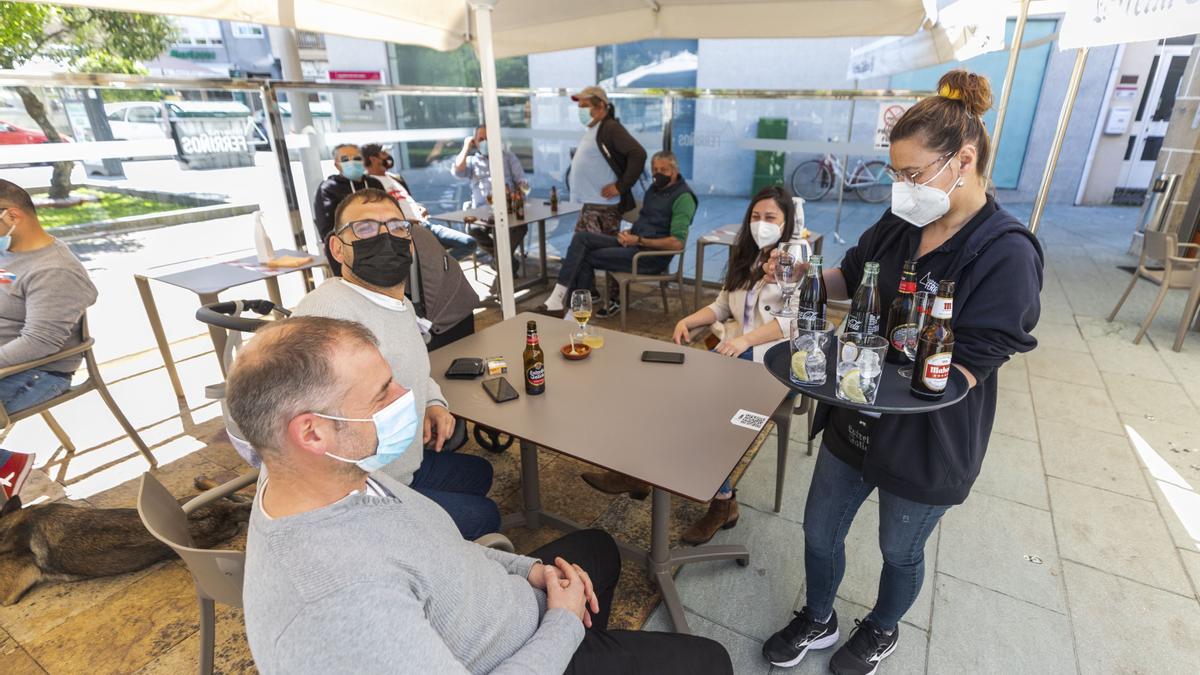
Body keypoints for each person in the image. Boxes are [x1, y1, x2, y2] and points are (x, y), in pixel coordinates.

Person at [227, 314, 735, 674]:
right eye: (382, 392)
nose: (406, 397)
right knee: (710, 660)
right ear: (312, 432)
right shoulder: (338, 605)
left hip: (512, 606)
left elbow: (441, 551)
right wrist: (561, 625)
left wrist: (529, 571)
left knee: (598, 547)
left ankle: (592, 639)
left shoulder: (330, 474)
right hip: (522, 650)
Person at [758, 70, 1043, 675]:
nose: (902, 187)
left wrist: (922, 374)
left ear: (963, 160)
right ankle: (819, 615)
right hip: (855, 410)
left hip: (926, 434)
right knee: (819, 529)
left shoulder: (1006, 251)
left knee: (899, 547)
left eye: (912, 175)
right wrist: (801, 273)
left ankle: (882, 628)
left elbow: (979, 356)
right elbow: (851, 275)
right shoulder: (900, 223)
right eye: (896, 173)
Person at [577, 186, 796, 543]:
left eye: (770, 218)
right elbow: (723, 305)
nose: (761, 224)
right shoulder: (748, 257)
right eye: (756, 216)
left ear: (786, 223)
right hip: (731, 358)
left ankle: (712, 497)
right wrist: (690, 320)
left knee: (694, 410)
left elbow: (795, 320)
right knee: (665, 390)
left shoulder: (793, 264)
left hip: (768, 363)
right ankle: (643, 472)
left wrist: (744, 340)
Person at [292, 188, 498, 540]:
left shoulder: (395, 303)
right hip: (363, 493)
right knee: (486, 516)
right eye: (366, 228)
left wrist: (433, 402)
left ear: (410, 239)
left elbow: (411, 366)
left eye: (396, 227)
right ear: (338, 248)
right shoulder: (328, 317)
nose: (385, 236)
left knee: (480, 473)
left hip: (402, 465)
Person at [537, 151, 694, 317]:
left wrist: (639, 240)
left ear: (674, 171)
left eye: (663, 170)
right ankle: (560, 296)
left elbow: (677, 243)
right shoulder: (654, 190)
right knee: (581, 238)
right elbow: (647, 221)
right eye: (655, 170)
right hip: (635, 244)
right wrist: (630, 233)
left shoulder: (683, 198)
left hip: (649, 257)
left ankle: (573, 312)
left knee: (584, 257)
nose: (658, 174)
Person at [0, 180, 97, 414]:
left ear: (12, 216)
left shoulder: (55, 271)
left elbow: (39, 342)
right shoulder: (10, 251)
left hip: (33, 373)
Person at [363, 143, 477, 260]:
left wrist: (419, 207)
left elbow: (405, 200)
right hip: (405, 231)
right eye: (383, 153)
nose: (388, 156)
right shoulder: (367, 183)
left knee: (468, 243)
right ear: (373, 159)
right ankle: (435, 269)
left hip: (424, 224)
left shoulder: (395, 178)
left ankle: (437, 268)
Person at [569, 86, 646, 237]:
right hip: (590, 206)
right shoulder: (595, 128)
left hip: (602, 209)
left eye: (584, 106)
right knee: (582, 253)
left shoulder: (610, 128)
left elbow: (638, 154)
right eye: (579, 107)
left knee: (596, 255)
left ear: (601, 106)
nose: (580, 111)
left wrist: (620, 186)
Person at [451, 125, 528, 268]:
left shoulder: (508, 157)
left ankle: (499, 261)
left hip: (507, 210)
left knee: (521, 227)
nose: (485, 142)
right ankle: (505, 261)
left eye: (488, 138)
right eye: (481, 139)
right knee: (473, 230)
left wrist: (517, 193)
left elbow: (524, 184)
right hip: (481, 213)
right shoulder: (472, 161)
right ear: (475, 141)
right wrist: (466, 147)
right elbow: (457, 171)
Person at [312, 143, 383, 276]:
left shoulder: (375, 184)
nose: (352, 162)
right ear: (337, 165)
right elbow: (327, 229)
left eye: (356, 158)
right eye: (345, 159)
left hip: (381, 241)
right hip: (350, 248)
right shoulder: (328, 189)